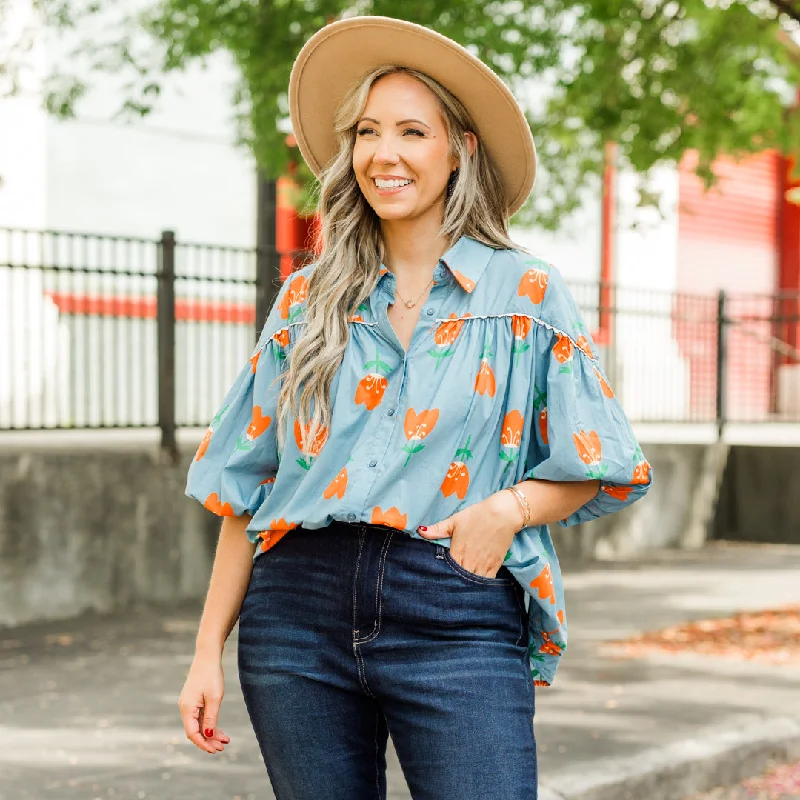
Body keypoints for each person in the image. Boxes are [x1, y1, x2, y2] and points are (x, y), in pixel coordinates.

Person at [178, 15, 653, 800]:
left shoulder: (525, 294)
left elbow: (602, 462)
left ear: (460, 149)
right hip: (295, 614)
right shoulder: (308, 298)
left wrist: (508, 507)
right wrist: (204, 652)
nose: (382, 153)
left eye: (411, 131)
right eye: (367, 131)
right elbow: (246, 484)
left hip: (454, 605)